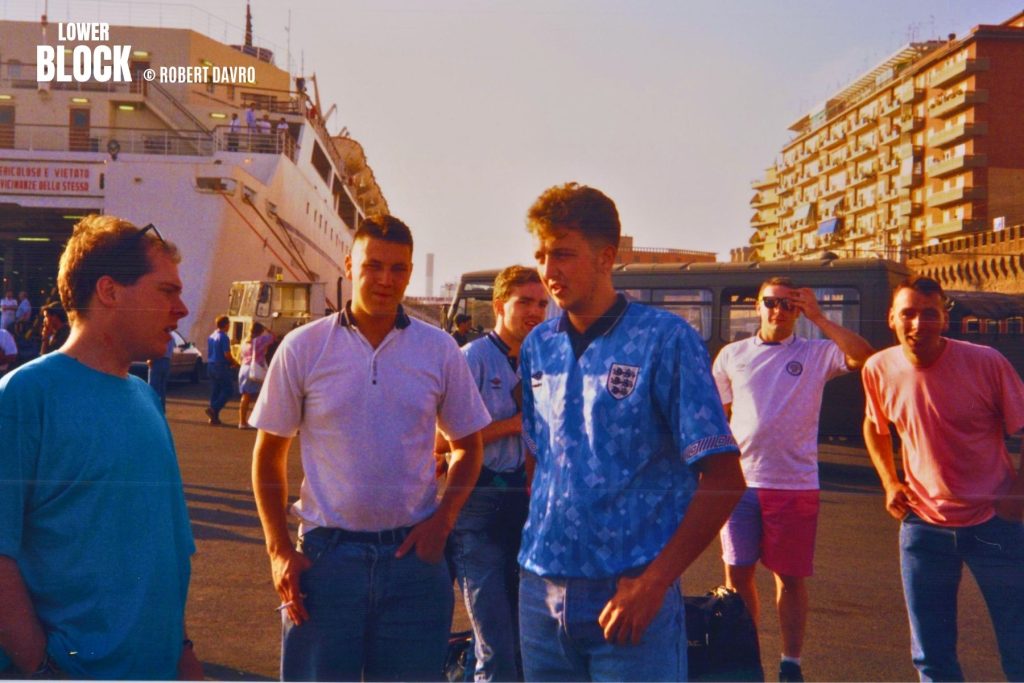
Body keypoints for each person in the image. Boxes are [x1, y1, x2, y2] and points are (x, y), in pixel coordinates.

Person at [517, 182, 746, 682]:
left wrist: (655, 582)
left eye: (563, 254)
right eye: (540, 255)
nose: (549, 271)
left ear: (606, 257)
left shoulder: (665, 339)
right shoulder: (538, 346)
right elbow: (539, 458)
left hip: (628, 594)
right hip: (540, 592)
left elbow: (725, 477)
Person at [250, 215, 491, 681]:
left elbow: (468, 447)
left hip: (413, 562)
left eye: (398, 269)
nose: (385, 280)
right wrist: (279, 549)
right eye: (373, 265)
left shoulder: (439, 350)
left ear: (409, 271)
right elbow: (268, 455)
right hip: (326, 559)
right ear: (349, 265)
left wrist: (443, 521)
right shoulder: (304, 347)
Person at [0, 215, 200, 679]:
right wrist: (44, 669)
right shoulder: (23, 397)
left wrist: (185, 655)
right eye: (166, 291)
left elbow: (164, 555)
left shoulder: (146, 399)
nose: (182, 308)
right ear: (109, 291)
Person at [861, 276, 1024, 682]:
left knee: (1019, 645)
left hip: (994, 523)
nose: (918, 324)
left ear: (944, 319)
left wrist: (1017, 494)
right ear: (892, 319)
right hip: (922, 526)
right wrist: (890, 481)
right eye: (908, 314)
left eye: (929, 313)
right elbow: (874, 425)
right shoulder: (879, 368)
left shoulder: (985, 362)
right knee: (931, 657)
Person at [711, 276, 874, 682]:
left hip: (795, 484)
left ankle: (790, 662)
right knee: (737, 576)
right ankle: (744, 655)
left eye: (789, 304)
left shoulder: (817, 353)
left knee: (790, 579)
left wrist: (818, 317)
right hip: (740, 485)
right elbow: (719, 417)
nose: (778, 311)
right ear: (757, 306)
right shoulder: (732, 355)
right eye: (771, 302)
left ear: (798, 310)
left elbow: (864, 358)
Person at [441, 265, 548, 682]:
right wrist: (519, 422)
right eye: (525, 302)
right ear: (500, 306)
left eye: (542, 303)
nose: (535, 312)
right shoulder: (473, 359)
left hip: (528, 505)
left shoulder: (544, 360)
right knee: (496, 645)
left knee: (528, 640)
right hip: (480, 504)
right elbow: (444, 439)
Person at [237, 321, 273, 429]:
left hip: (244, 369)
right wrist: (267, 328)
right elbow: (273, 337)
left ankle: (242, 421)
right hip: (256, 369)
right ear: (260, 331)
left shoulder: (245, 342)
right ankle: (259, 421)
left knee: (245, 396)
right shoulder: (260, 340)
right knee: (262, 395)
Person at [205, 314, 236, 425]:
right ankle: (214, 408)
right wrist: (233, 362)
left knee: (215, 390)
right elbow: (226, 353)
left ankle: (214, 418)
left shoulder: (212, 336)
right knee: (228, 389)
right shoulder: (223, 337)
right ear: (226, 324)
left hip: (211, 364)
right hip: (221, 365)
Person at [149, 336, 175, 412]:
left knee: (153, 387)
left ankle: (153, 408)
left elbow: (155, 350)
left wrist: (150, 359)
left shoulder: (160, 336)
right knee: (162, 387)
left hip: (158, 361)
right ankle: (162, 408)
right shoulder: (172, 338)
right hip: (167, 361)